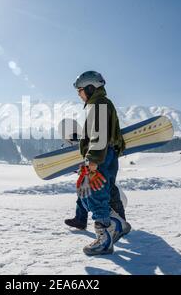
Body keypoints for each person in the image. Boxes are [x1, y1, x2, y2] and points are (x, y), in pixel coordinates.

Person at [66, 71, 131, 255]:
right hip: (107, 154)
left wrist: (92, 160)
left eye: (80, 90)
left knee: (95, 195)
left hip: (101, 156)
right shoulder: (103, 104)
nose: (79, 94)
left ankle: (104, 240)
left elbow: (99, 135)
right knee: (106, 190)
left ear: (89, 88)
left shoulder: (99, 105)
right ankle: (120, 224)